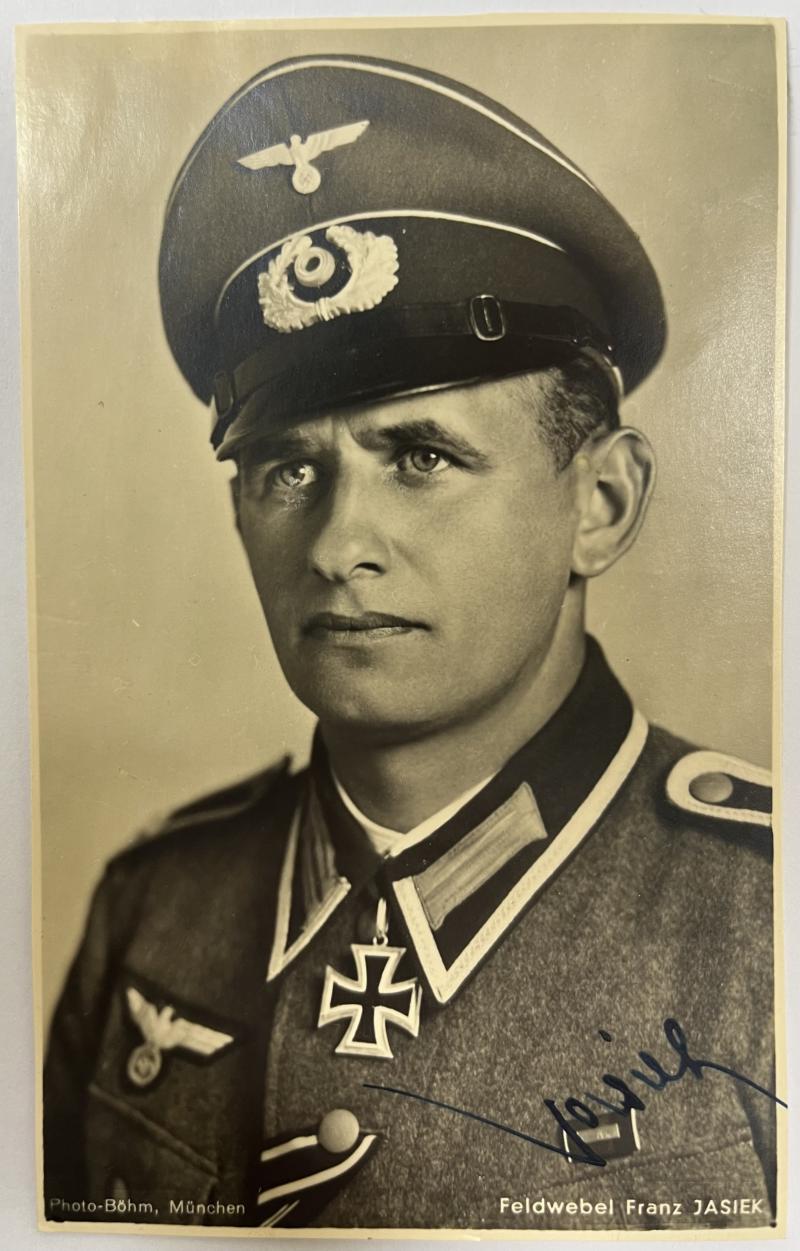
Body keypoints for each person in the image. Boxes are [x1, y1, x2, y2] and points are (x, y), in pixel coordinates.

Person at [43, 54, 778, 1232]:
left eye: (421, 457)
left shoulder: (760, 920)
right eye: (289, 470)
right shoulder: (157, 904)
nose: (339, 545)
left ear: (599, 504)